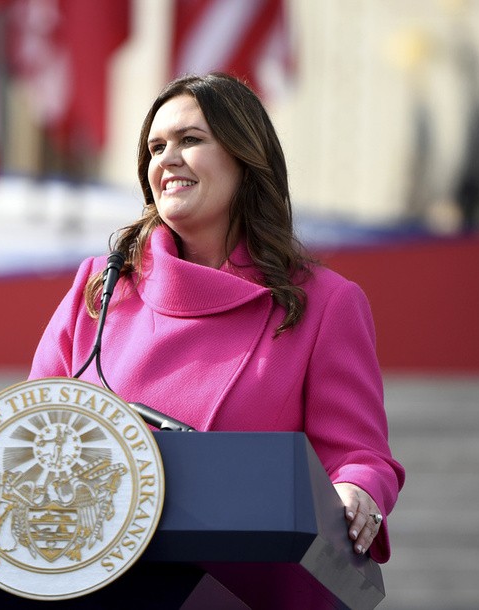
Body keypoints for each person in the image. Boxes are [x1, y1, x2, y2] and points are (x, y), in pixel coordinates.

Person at [29, 72, 405, 562]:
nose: (166, 158)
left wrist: (356, 493)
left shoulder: (324, 303)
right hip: (96, 569)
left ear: (245, 158)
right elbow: (31, 428)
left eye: (190, 140)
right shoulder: (100, 287)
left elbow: (357, 455)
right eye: (155, 146)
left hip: (243, 575)